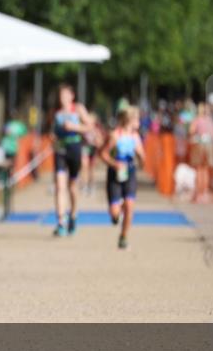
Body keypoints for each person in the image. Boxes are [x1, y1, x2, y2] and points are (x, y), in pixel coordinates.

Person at [50, 84, 94, 236]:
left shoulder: (78, 109)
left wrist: (74, 127)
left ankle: (74, 215)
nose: (62, 98)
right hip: (60, 149)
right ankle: (61, 222)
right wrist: (53, 136)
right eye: (60, 95)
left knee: (72, 187)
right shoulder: (57, 112)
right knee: (59, 185)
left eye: (65, 95)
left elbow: (90, 126)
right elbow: (53, 131)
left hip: (74, 148)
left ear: (72, 96)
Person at [100, 107, 145, 250]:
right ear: (129, 120)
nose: (139, 122)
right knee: (115, 212)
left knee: (130, 206)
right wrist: (115, 164)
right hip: (115, 175)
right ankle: (116, 215)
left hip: (130, 173)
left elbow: (143, 159)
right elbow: (103, 154)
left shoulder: (135, 137)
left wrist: (141, 157)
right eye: (137, 119)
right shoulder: (115, 135)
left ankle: (123, 237)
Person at [189, 102, 213, 203]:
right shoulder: (210, 120)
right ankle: (204, 193)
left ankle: (199, 193)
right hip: (209, 145)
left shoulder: (197, 120)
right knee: (205, 170)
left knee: (199, 170)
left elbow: (191, 131)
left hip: (200, 145)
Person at [80, 112, 104, 196]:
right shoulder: (83, 129)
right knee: (84, 166)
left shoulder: (97, 130)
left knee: (91, 169)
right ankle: (84, 185)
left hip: (93, 150)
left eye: (90, 120)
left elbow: (100, 142)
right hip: (85, 148)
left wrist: (97, 141)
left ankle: (91, 185)